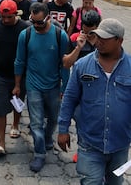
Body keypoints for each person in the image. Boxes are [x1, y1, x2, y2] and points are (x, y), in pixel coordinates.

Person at [58, 18, 131, 185]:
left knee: (115, 181)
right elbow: (69, 98)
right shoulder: (82, 65)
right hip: (90, 141)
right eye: (98, 37)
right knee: (92, 181)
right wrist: (63, 129)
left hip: (120, 143)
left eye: (105, 39)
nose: (99, 42)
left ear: (119, 40)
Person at [14, 2, 69, 172]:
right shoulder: (26, 35)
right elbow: (20, 61)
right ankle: (39, 153)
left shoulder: (60, 36)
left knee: (53, 118)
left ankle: (47, 139)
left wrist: (64, 89)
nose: (36, 25)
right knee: (36, 122)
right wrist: (17, 85)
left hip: (53, 86)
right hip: (33, 86)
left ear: (48, 18)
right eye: (33, 21)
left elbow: (64, 65)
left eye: (40, 22)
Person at [0, 0, 29, 156]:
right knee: (0, 107)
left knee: (17, 101)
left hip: (19, 74)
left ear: (15, 14)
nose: (6, 20)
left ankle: (16, 124)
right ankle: (1, 144)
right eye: (3, 17)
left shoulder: (25, 29)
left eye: (9, 17)